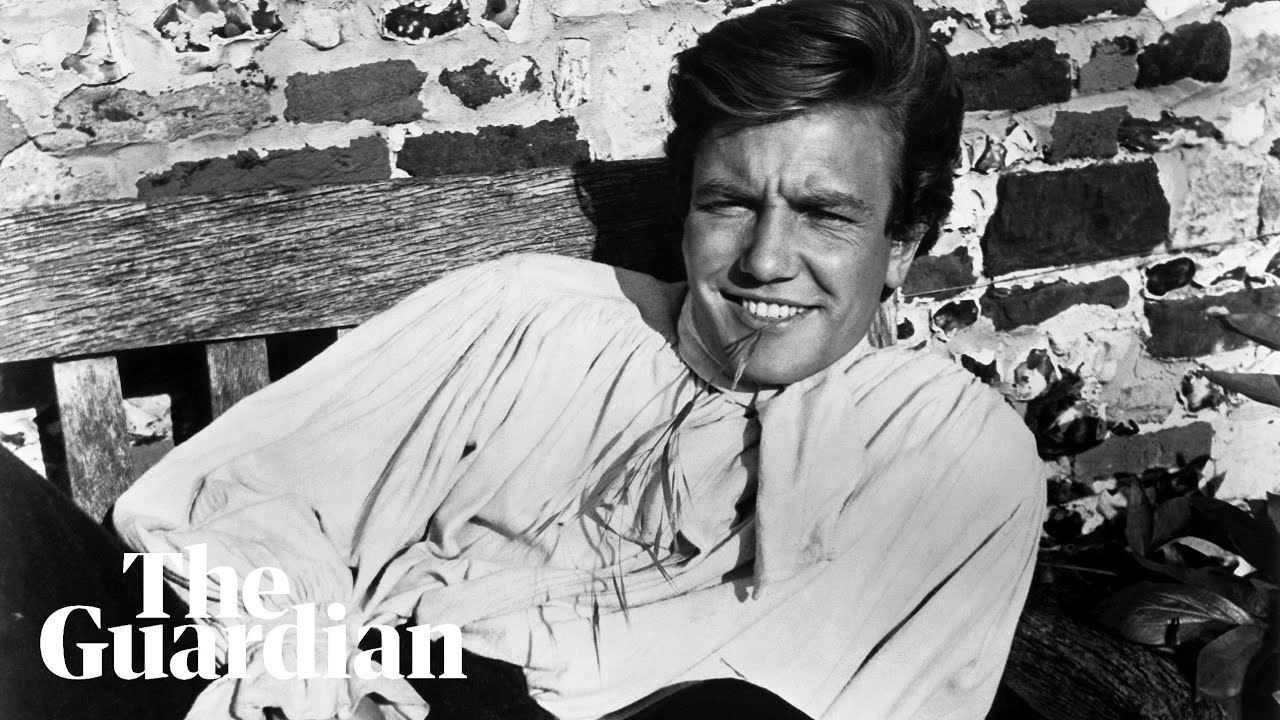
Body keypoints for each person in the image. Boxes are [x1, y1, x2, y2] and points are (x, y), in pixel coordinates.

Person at [1, 0, 1045, 718]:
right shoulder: (528, 315)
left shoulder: (944, 454)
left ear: (901, 243)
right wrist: (322, 669)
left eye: (823, 214)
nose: (765, 259)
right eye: (729, 202)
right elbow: (247, 501)